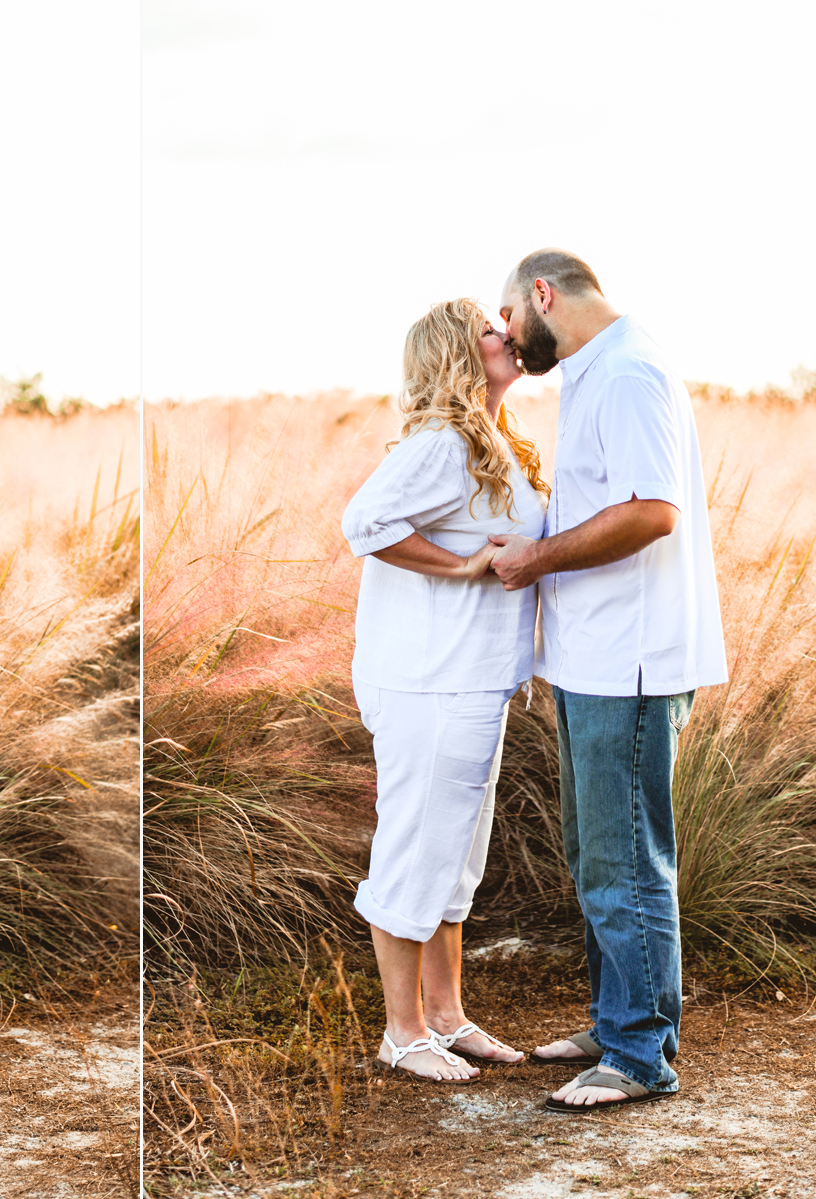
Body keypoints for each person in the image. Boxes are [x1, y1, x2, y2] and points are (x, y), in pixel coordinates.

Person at [488, 249, 727, 1111]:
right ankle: (621, 1018)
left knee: (625, 861)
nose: (508, 334)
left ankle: (636, 1054)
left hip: (629, 662)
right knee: (599, 856)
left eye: (510, 315)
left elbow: (649, 512)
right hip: (595, 659)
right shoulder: (599, 370)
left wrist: (535, 558)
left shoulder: (628, 372)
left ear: (542, 295)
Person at [340, 298, 546, 1082]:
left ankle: (448, 1016)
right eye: (492, 332)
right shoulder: (441, 442)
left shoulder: (492, 438)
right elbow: (365, 521)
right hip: (428, 682)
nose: (509, 337)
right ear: (461, 353)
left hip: (475, 680)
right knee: (414, 853)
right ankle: (403, 1031)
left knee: (455, 860)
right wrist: (461, 566)